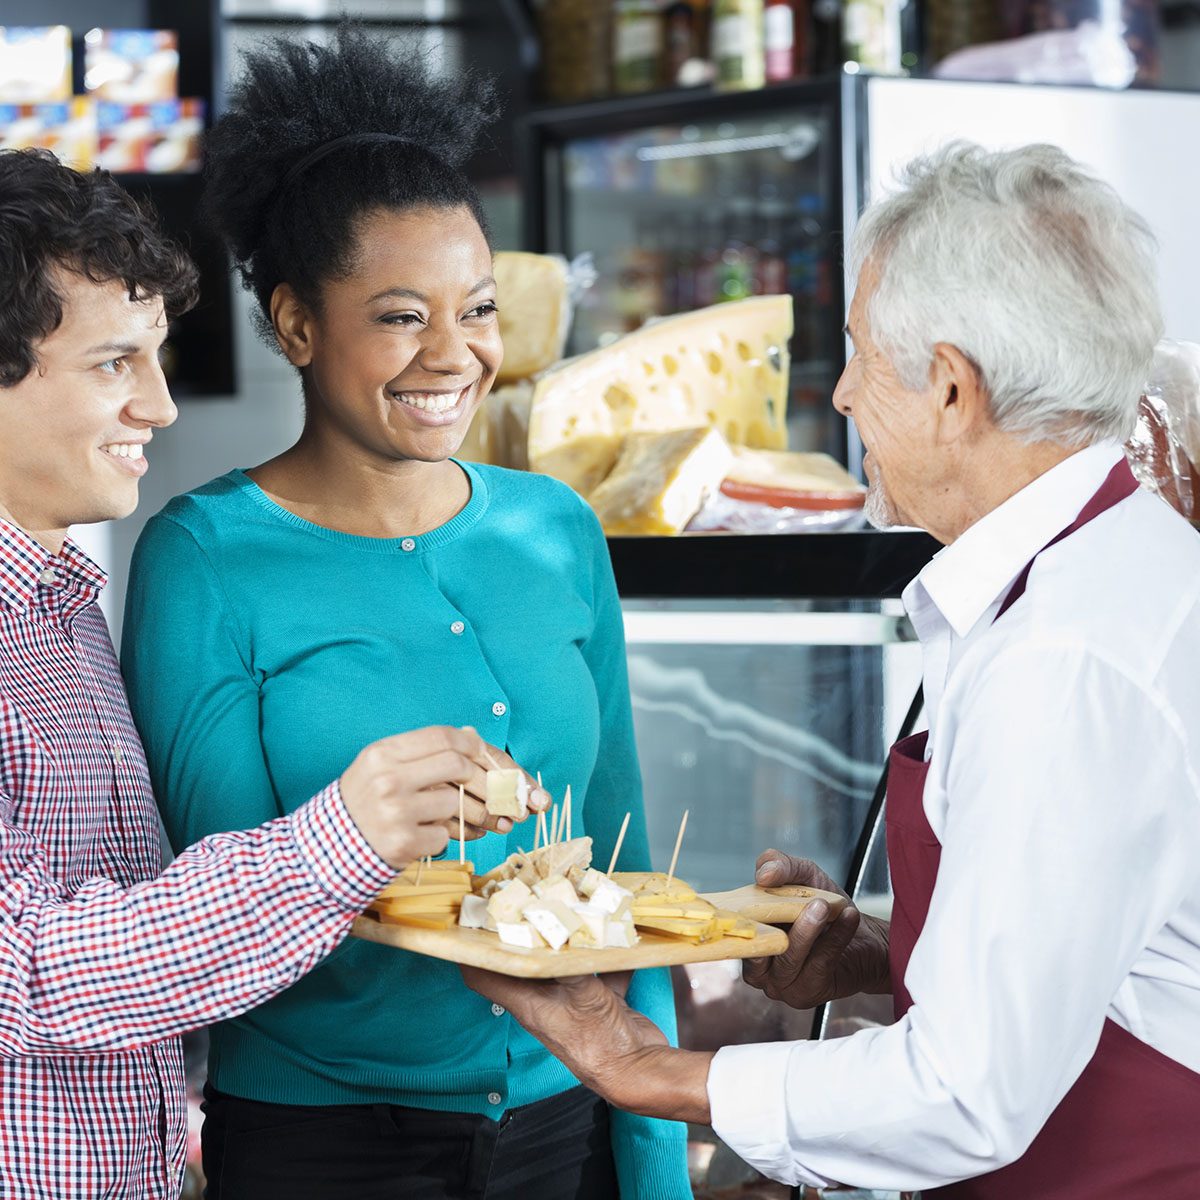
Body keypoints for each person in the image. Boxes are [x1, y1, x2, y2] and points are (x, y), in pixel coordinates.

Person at [463, 142, 1200, 1198]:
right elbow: (1112, 947)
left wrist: (648, 1069)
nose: (844, 396)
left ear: (952, 389)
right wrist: (876, 955)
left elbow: (964, 1093)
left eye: (858, 353)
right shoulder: (1113, 563)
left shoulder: (1063, 661)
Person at [121, 27, 689, 1200]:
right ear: (294, 323)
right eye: (397, 315)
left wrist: (653, 1154)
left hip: (568, 1120)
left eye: (474, 307)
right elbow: (211, 913)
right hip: (325, 1146)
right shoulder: (203, 558)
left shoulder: (556, 529)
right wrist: (368, 827)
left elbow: (629, 879)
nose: (454, 354)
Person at [0, 146, 541, 1200]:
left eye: (156, 359)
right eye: (115, 364)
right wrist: (342, 836)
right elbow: (23, 973)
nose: (159, 409)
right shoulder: (180, 561)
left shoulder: (60, 604)